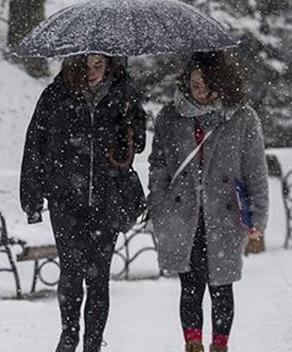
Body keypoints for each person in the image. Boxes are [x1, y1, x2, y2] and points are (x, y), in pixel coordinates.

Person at [20, 54, 147, 352]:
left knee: (99, 276)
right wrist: (32, 196)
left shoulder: (123, 93)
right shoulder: (56, 95)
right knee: (72, 271)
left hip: (107, 198)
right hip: (66, 200)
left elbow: (137, 144)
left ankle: (92, 344)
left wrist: (131, 118)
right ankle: (68, 336)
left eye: (98, 66)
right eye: (85, 66)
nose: (91, 73)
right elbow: (35, 144)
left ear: (109, 65)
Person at [148, 51, 268, 352]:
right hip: (182, 214)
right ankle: (192, 345)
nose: (200, 90)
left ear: (223, 83)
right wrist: (159, 207)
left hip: (225, 216)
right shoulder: (170, 116)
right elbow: (158, 166)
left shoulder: (242, 117)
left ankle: (219, 346)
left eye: (207, 83)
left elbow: (256, 172)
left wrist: (257, 221)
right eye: (195, 83)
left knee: (221, 285)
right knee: (190, 284)